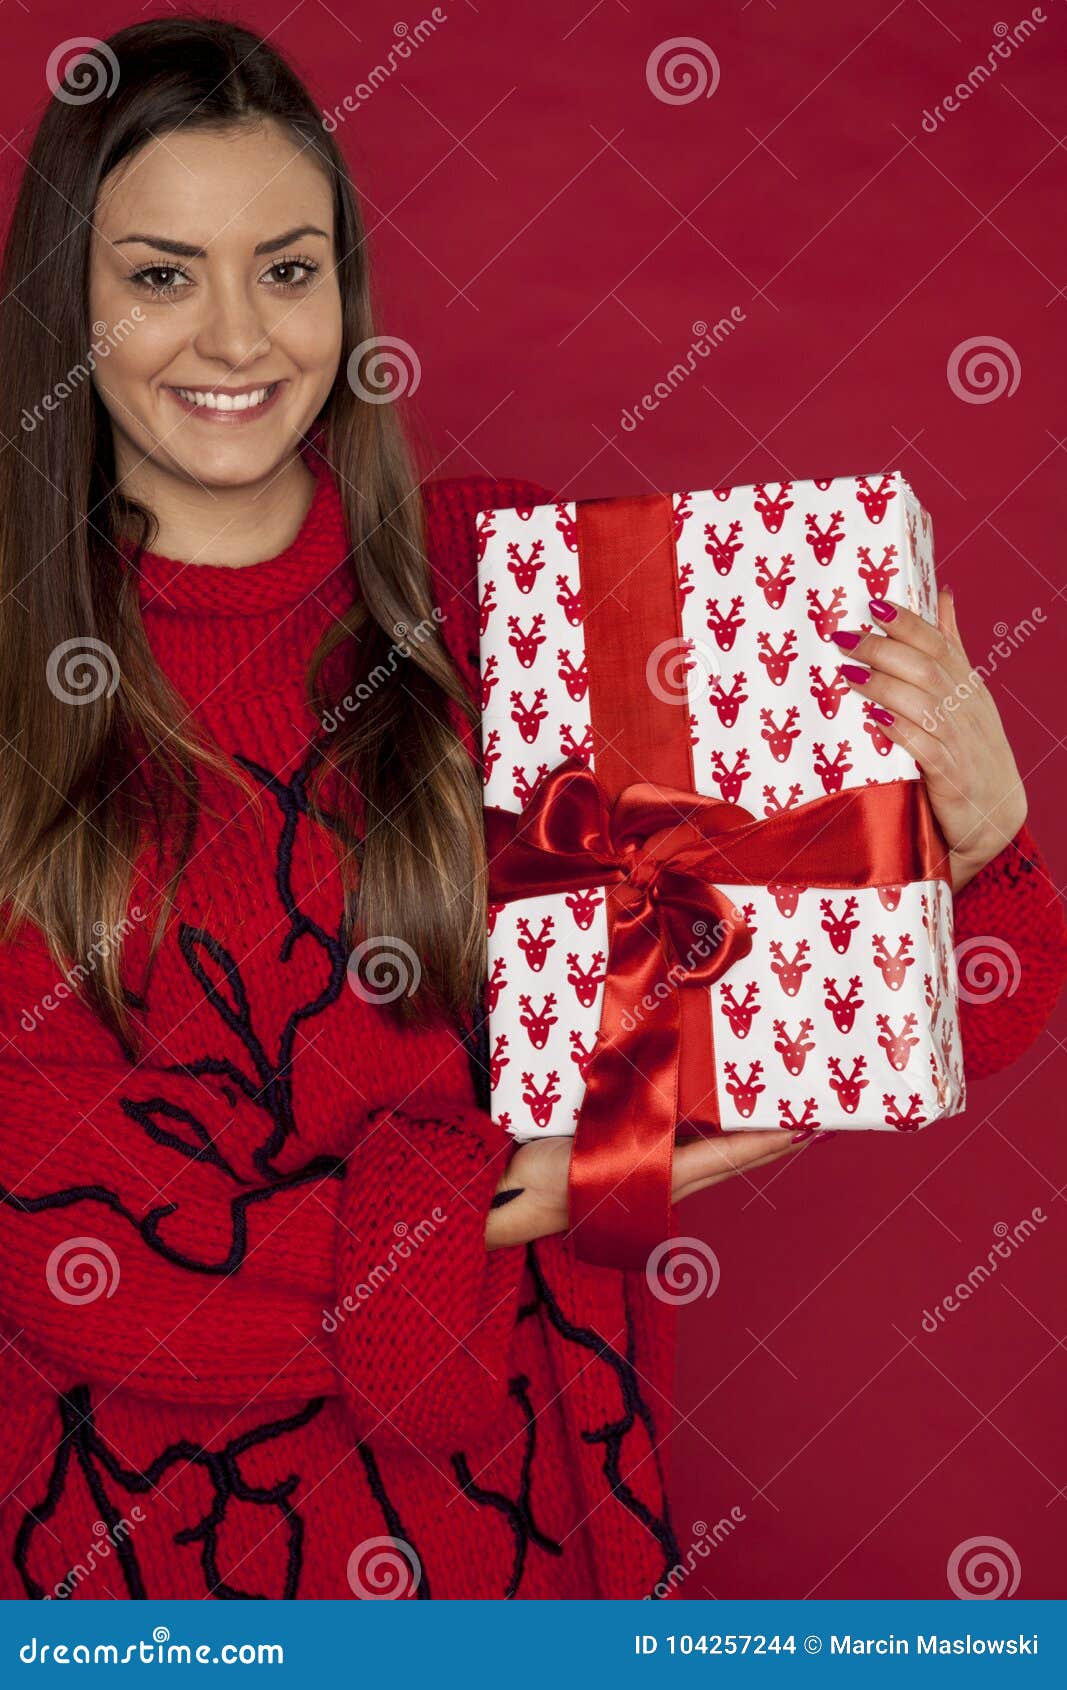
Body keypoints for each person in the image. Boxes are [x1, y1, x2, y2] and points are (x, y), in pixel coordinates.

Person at [0, 17, 1063, 1601]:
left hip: (554, 1534)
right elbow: (82, 1266)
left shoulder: (523, 589)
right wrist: (536, 1191)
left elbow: (860, 1012)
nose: (235, 335)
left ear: (345, 296)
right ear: (66, 308)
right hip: (164, 1573)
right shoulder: (27, 692)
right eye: (161, 275)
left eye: (287, 270)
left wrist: (975, 846)